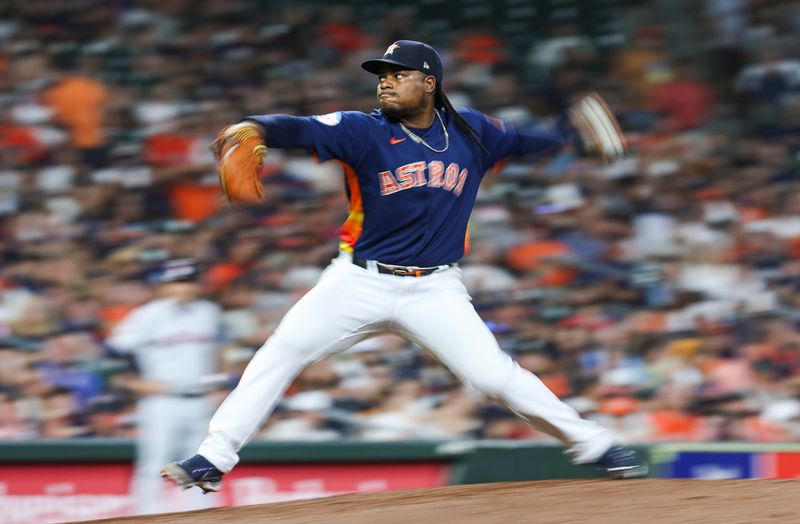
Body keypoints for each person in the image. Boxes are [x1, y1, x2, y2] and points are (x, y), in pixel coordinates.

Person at [161, 40, 645, 494]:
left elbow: (523, 140)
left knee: (494, 378)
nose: (385, 82)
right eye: (382, 75)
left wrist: (571, 132)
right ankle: (212, 459)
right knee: (280, 353)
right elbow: (298, 126)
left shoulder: (472, 132)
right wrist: (253, 127)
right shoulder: (364, 130)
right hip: (357, 281)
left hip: (435, 289)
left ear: (429, 82)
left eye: (399, 74)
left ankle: (597, 446)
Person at [108, 259, 222, 514]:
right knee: (154, 465)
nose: (184, 288)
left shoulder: (208, 312)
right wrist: (134, 382)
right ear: (164, 286)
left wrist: (217, 382)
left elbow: (215, 352)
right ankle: (147, 516)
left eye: (189, 281)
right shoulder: (148, 315)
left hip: (200, 399)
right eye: (177, 282)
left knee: (202, 465)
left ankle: (202, 518)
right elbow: (114, 350)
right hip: (163, 401)